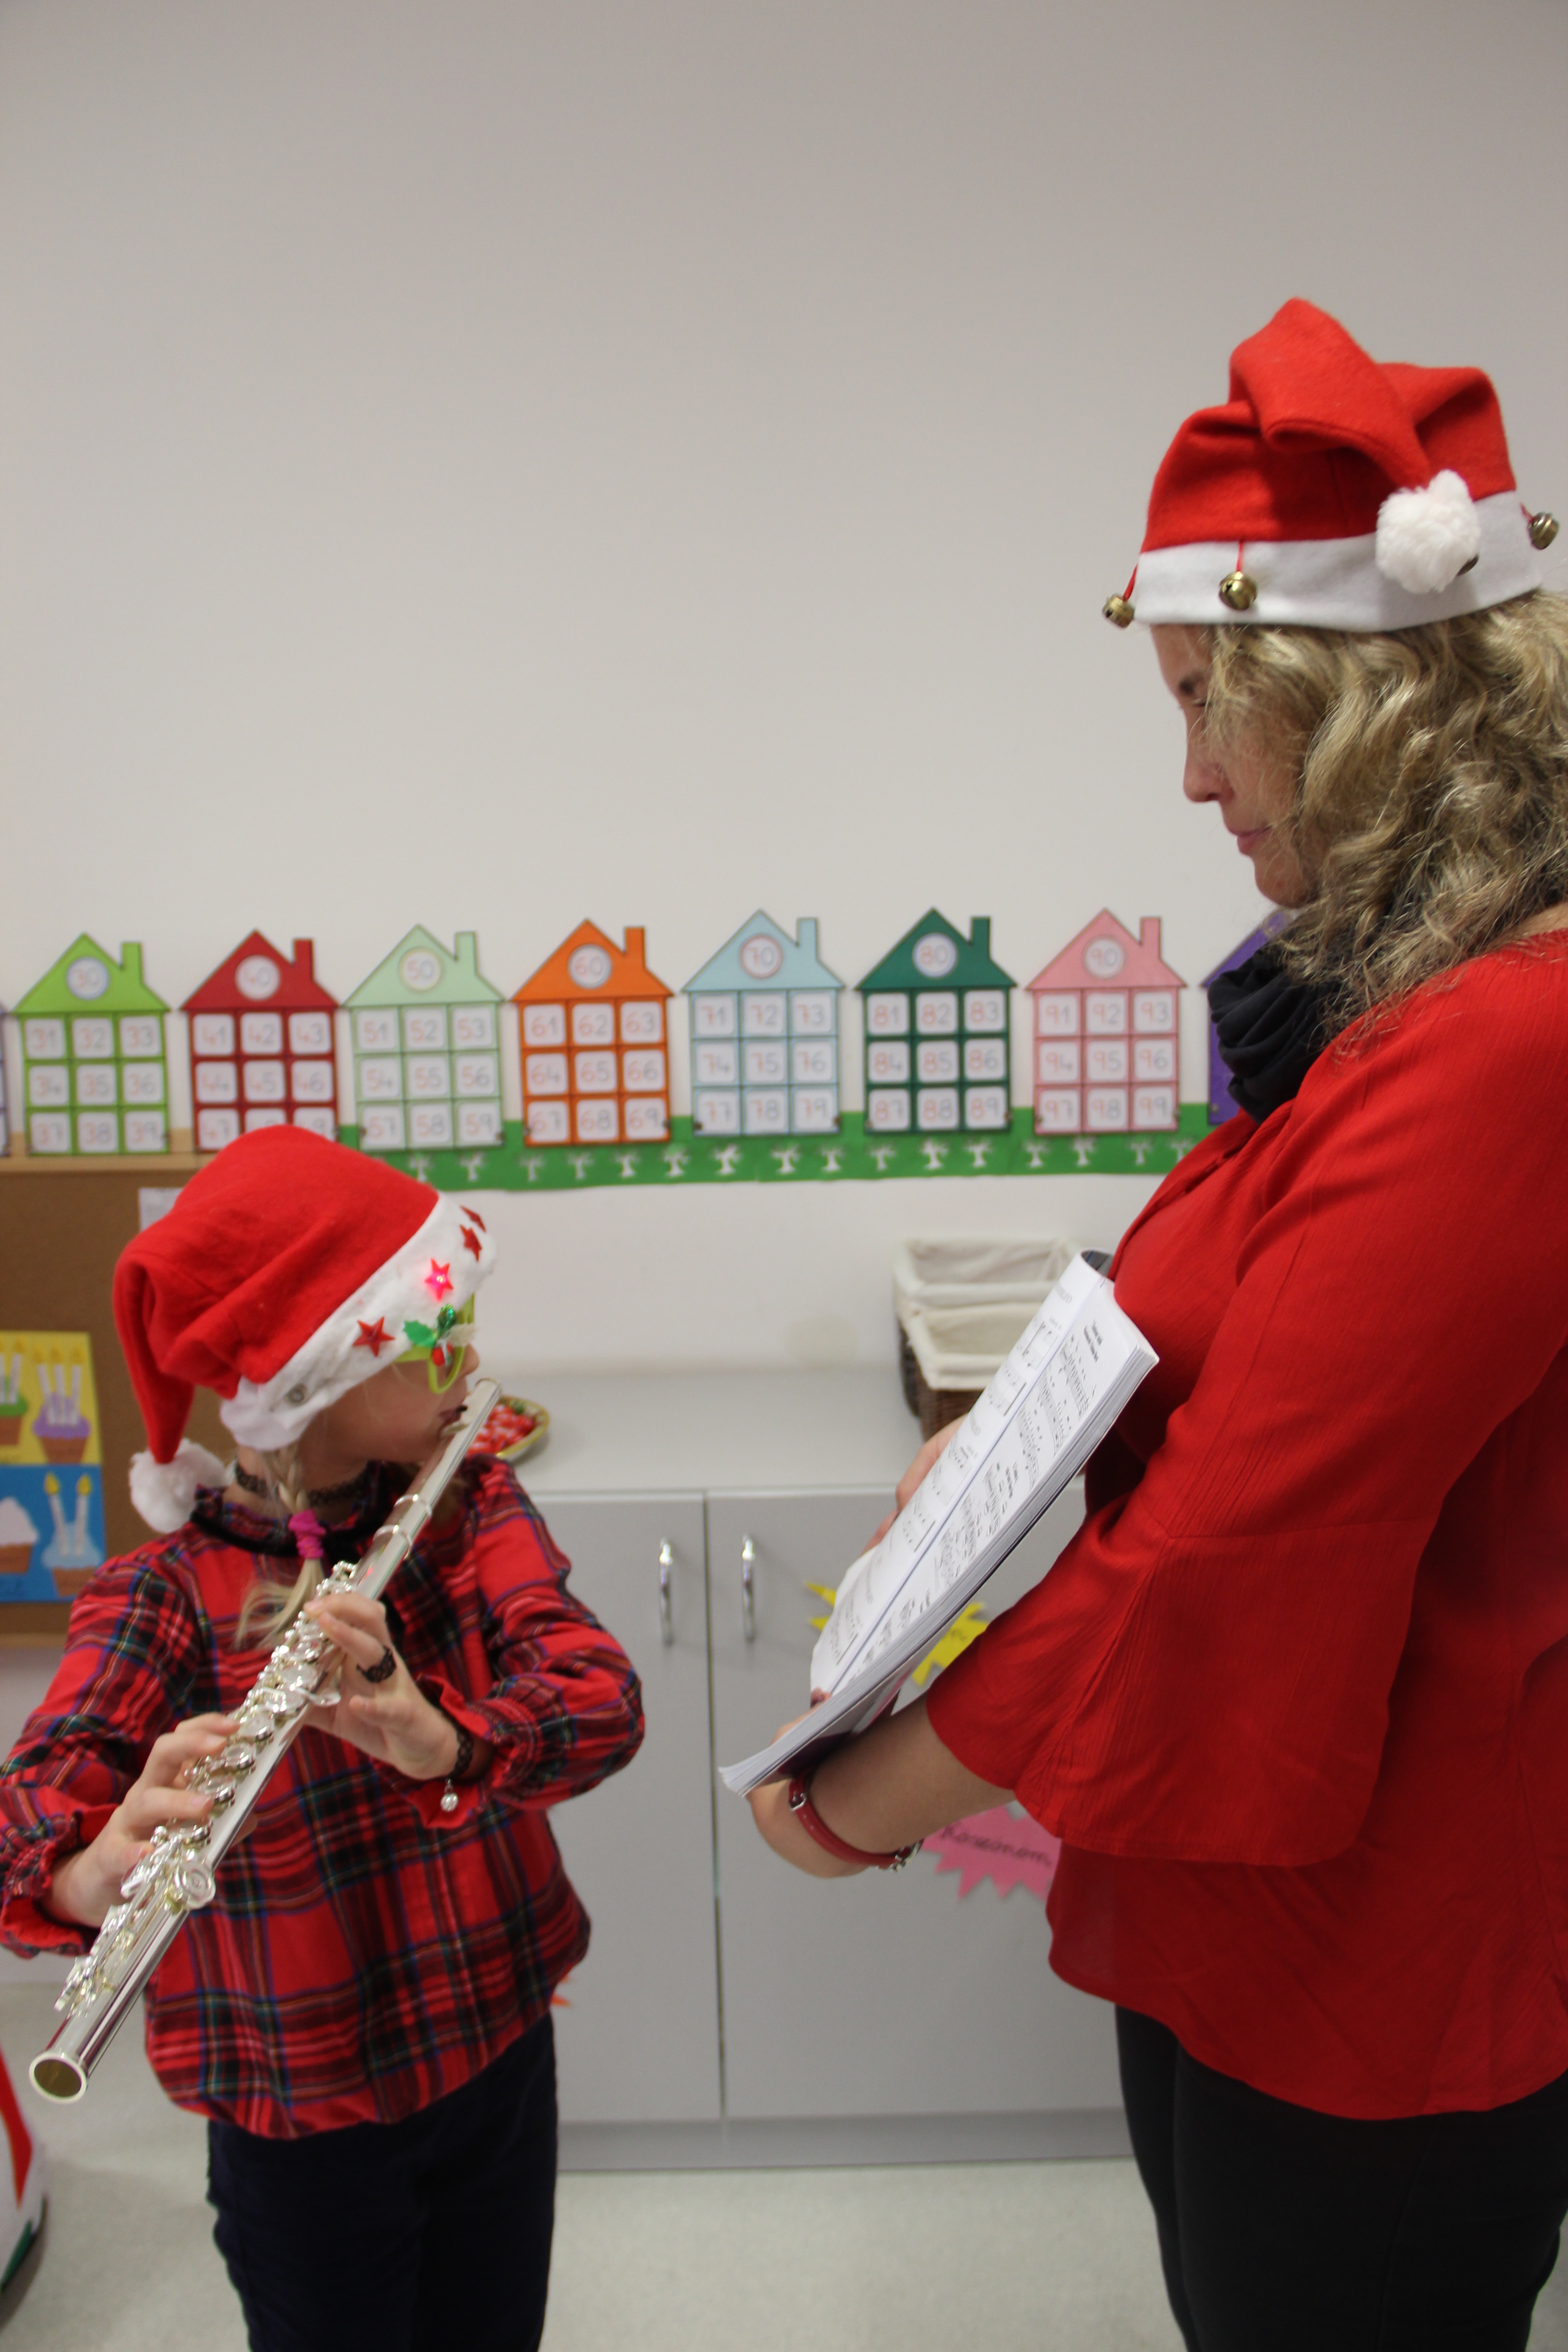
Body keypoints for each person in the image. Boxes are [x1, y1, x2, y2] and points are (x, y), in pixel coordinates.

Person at [750, 297, 1568, 2352]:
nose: (1192, 775)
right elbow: (1209, 1293)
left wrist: (857, 1799)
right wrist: (1006, 1445)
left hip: (1383, 1960)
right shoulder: (1398, 987)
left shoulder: (1509, 1049)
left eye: (1212, 703)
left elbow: (1232, 1546)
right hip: (1246, 1908)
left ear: (1370, 700)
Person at [0, 1127, 643, 2352]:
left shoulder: (467, 1505)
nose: (471, 1364)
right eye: (435, 1340)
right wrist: (87, 1872)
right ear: (315, 1380)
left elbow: (603, 1703)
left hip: (493, 2046)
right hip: (296, 2117)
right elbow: (21, 1817)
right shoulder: (163, 1593)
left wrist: (449, 1743)